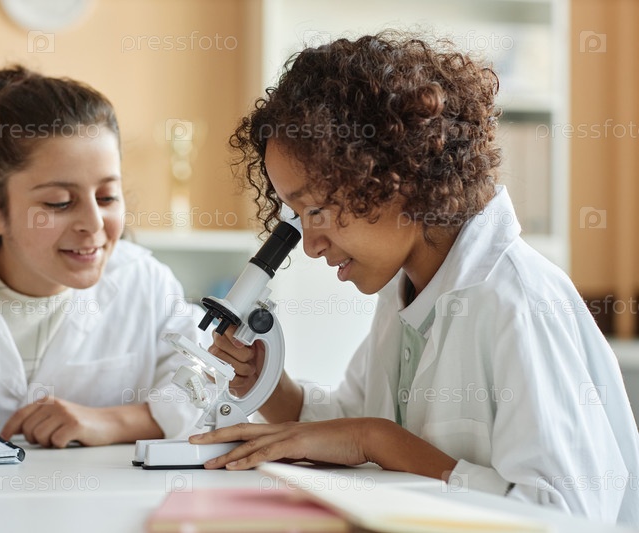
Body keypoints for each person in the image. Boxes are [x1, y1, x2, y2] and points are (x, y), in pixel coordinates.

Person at [191, 32, 639, 526]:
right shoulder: (405, 294)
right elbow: (340, 428)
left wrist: (377, 440)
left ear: (396, 175)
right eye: (299, 217)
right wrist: (269, 383)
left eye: (316, 210)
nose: (311, 246)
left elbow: (570, 516)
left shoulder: (518, 302)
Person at [0, 65, 204, 457]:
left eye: (107, 197)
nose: (94, 223)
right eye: (59, 202)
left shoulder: (146, 284)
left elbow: (212, 393)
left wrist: (113, 421)